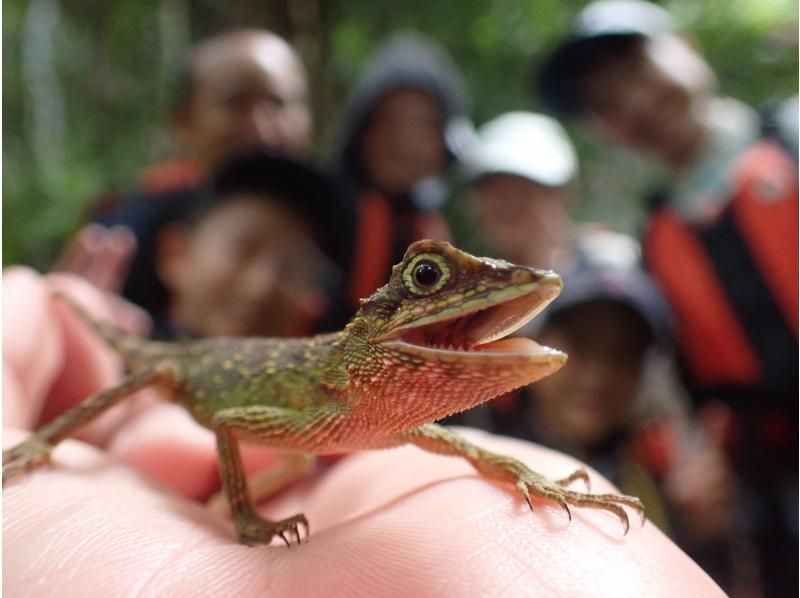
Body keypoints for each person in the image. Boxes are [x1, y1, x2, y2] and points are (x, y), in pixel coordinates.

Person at [3, 271, 725, 596]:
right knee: (139, 375)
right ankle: (41, 440)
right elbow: (225, 420)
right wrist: (247, 515)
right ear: (374, 326)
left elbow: (462, 446)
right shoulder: (326, 407)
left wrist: (530, 483)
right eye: (429, 277)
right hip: (187, 372)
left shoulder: (385, 417)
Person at [536, 2, 797, 595]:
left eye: (636, 69)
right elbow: (692, 392)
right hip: (775, 487)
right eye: (604, 104)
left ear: (687, 48)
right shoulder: (655, 240)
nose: (632, 104)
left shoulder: (790, 138)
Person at [71, 29, 313, 321]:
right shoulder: (124, 235)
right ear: (183, 121)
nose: (263, 129)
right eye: (235, 103)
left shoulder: (347, 225)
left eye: (279, 103)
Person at [331, 32, 475, 310]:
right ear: (363, 131)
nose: (405, 142)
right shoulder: (322, 211)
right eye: (391, 121)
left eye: (424, 126)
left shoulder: (429, 228)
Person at [152, 149, 348, 339]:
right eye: (242, 249)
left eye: (293, 268)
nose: (261, 287)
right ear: (174, 253)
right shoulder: (124, 364)